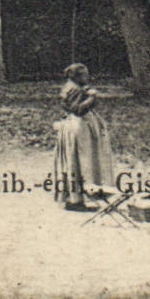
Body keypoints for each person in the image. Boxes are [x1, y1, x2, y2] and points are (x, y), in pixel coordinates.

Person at [52, 62, 115, 211]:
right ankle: (76, 200)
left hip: (76, 126)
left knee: (78, 161)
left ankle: (76, 198)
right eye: (85, 74)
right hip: (78, 128)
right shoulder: (73, 89)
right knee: (81, 161)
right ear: (77, 76)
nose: (88, 77)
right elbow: (78, 110)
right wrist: (92, 97)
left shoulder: (72, 87)